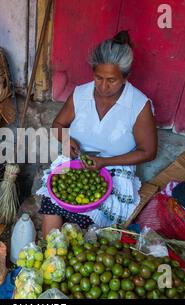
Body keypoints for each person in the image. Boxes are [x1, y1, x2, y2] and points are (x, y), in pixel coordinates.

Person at [37, 31, 158, 238]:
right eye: (98, 78)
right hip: (77, 163)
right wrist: (66, 139)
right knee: (53, 205)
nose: (103, 86)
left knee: (87, 219)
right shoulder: (80, 94)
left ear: (125, 77)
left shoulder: (138, 104)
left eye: (111, 80)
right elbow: (58, 124)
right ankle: (50, 258)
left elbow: (148, 151)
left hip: (114, 169)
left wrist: (104, 161)